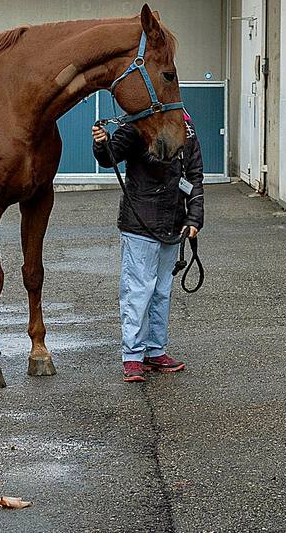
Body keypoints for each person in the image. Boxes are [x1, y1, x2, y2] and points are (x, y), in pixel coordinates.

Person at [93, 110, 204, 383]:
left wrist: (194, 218)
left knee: (161, 291)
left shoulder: (186, 127)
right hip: (140, 223)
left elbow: (195, 174)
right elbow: (109, 158)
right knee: (138, 290)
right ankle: (132, 356)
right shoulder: (136, 125)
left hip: (172, 223)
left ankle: (155, 350)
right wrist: (101, 143)